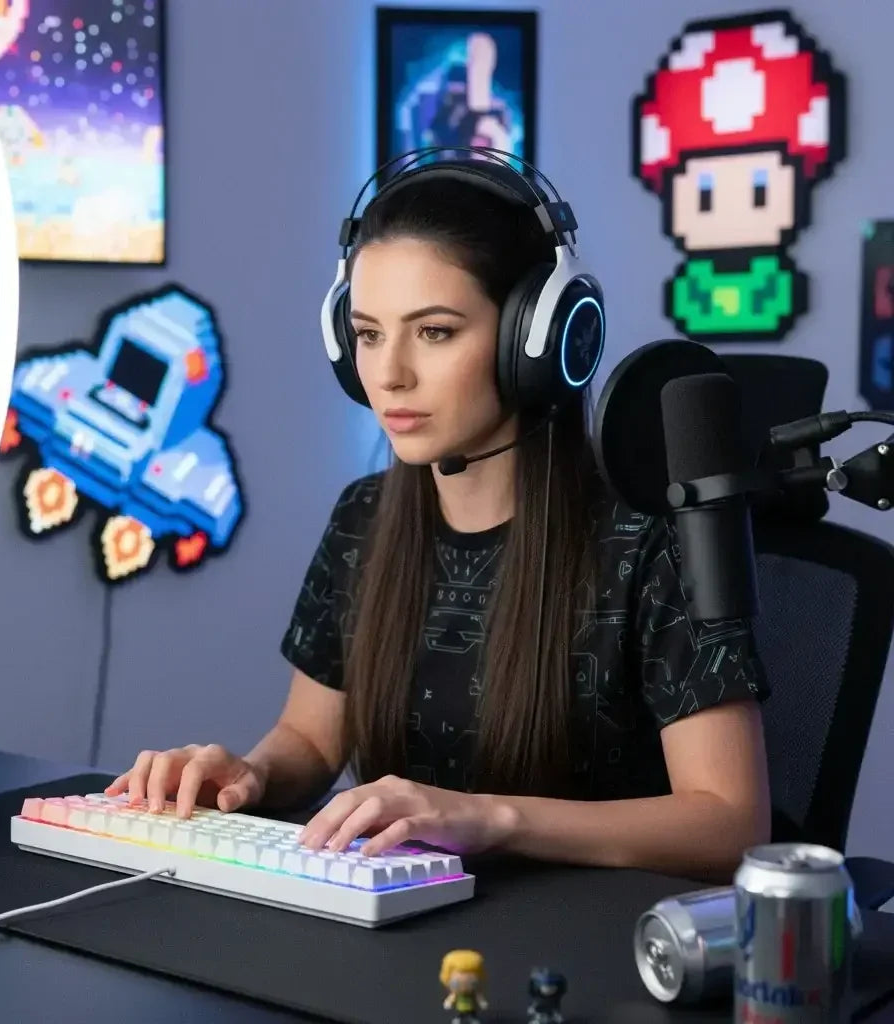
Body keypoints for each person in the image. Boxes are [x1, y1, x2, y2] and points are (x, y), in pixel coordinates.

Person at [107, 153, 772, 883]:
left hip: (594, 934)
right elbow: (311, 739)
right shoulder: (363, 519)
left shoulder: (648, 537)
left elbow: (729, 822)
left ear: (537, 340)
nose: (389, 374)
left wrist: (489, 819)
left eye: (434, 332)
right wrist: (250, 776)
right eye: (368, 334)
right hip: (402, 923)